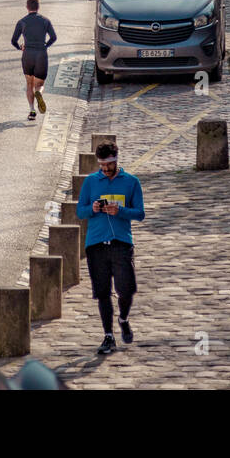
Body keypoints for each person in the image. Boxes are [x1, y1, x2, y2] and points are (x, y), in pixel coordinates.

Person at [76, 142, 145, 355]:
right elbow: (80, 211)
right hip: (96, 244)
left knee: (127, 289)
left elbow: (140, 213)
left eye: (109, 164)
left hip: (122, 243)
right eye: (102, 165)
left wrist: (121, 211)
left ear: (117, 159)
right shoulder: (90, 182)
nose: (105, 169)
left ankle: (123, 318)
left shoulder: (132, 182)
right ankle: (108, 336)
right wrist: (93, 208)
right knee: (102, 292)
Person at [11, 0, 57, 120]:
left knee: (29, 83)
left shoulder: (22, 22)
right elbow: (54, 37)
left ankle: (32, 111)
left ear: (27, 7)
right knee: (40, 84)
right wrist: (45, 46)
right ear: (38, 7)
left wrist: (20, 47)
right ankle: (39, 93)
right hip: (41, 54)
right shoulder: (45, 21)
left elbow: (13, 40)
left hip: (27, 55)